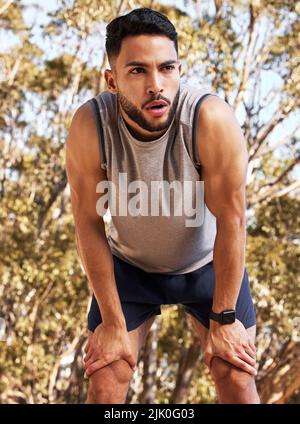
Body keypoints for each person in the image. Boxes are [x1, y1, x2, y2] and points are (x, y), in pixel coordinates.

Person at [65, 7, 260, 404]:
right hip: (130, 268)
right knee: (106, 378)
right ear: (112, 80)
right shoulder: (91, 124)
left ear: (179, 69)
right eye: (137, 71)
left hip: (207, 263)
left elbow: (233, 219)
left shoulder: (209, 118)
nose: (157, 84)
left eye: (166, 68)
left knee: (235, 375)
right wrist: (114, 324)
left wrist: (224, 319)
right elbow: (88, 222)